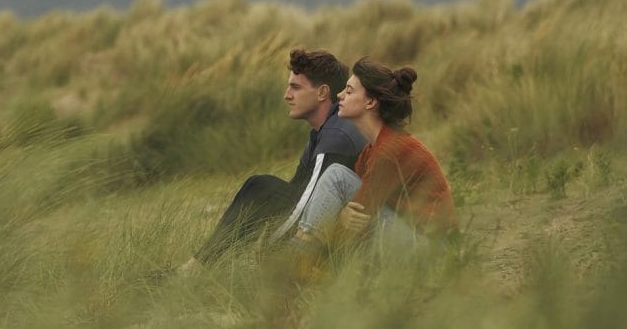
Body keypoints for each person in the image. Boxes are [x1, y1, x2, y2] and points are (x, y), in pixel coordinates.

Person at [176, 48, 366, 275]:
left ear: (322, 92)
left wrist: (271, 251)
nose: (287, 95)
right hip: (333, 231)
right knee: (265, 190)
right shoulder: (321, 133)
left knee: (261, 187)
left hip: (354, 240)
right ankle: (202, 267)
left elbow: (310, 207)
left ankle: (196, 269)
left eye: (295, 87)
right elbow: (296, 190)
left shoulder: (337, 134)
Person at [289, 56, 458, 268]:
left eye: (349, 91)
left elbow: (358, 220)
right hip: (410, 238)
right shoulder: (371, 151)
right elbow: (357, 213)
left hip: (434, 252)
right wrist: (342, 216)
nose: (340, 95)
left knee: (336, 176)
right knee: (339, 179)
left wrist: (342, 219)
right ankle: (302, 256)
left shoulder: (389, 151)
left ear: (370, 102)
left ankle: (299, 257)